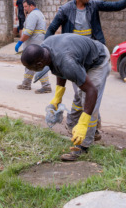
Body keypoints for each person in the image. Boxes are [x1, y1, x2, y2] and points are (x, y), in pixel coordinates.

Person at [45, 0, 126, 139]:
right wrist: (47, 51)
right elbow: (50, 30)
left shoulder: (93, 5)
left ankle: (87, 128)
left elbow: (115, 6)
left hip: (93, 55)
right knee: (82, 93)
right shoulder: (65, 10)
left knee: (89, 92)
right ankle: (81, 125)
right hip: (74, 57)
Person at [21, 33, 110, 161]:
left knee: (88, 99)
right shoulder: (46, 48)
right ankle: (93, 130)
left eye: (30, 68)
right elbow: (58, 68)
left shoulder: (67, 62)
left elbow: (92, 91)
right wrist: (58, 95)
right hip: (84, 58)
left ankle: (83, 145)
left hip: (98, 60)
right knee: (80, 96)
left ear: (39, 64)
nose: (30, 71)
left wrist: (83, 124)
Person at [15, 0, 51, 93]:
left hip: (33, 44)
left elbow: (28, 32)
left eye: (26, 6)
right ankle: (26, 84)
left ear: (31, 6)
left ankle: (46, 86)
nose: (24, 9)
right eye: (24, 7)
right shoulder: (39, 14)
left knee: (37, 63)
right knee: (30, 63)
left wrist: (20, 42)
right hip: (38, 42)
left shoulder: (33, 15)